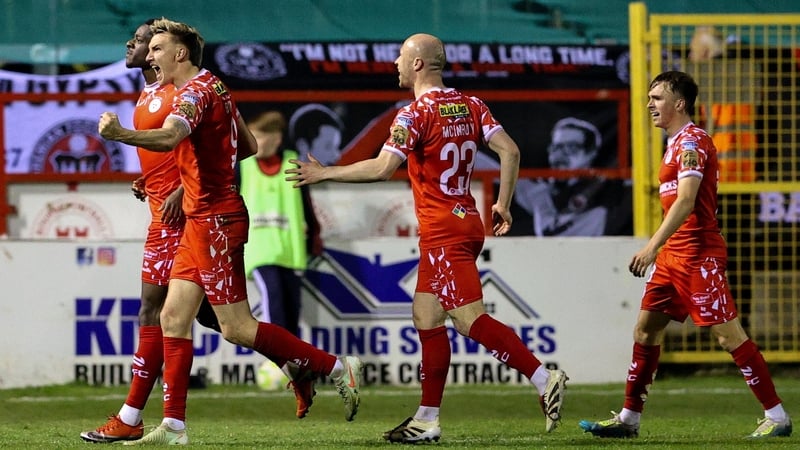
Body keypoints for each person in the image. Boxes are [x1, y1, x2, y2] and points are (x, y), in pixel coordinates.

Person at [286, 33, 568, 444]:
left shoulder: (413, 114)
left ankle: (544, 377)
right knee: (426, 315)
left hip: (442, 230)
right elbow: (510, 151)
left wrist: (326, 172)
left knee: (469, 319)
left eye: (401, 57)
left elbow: (383, 168)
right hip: (466, 219)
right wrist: (504, 204)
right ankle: (427, 418)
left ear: (418, 64)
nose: (395, 64)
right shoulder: (472, 105)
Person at [98, 18, 362, 445]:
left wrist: (119, 134)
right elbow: (248, 146)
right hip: (202, 217)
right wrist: (194, 172)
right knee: (172, 316)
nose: (151, 55)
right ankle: (173, 428)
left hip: (216, 222)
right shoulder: (216, 86)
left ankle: (334, 366)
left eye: (158, 48)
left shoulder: (194, 94)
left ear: (180, 53)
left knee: (236, 326)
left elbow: (169, 138)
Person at [578, 70, 792, 439]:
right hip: (674, 257)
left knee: (729, 336)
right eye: (649, 97)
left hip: (697, 255)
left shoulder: (693, 142)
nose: (650, 104)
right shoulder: (676, 142)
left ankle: (777, 416)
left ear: (680, 103)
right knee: (645, 331)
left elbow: (687, 200)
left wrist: (651, 245)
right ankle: (629, 419)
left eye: (657, 97)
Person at [79, 19, 218, 443]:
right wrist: (153, 180)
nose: (136, 45)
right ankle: (308, 364)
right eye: (145, 42)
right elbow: (173, 149)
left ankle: (134, 415)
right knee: (223, 320)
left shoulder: (182, 90)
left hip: (178, 218)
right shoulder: (151, 92)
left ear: (171, 52)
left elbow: (206, 146)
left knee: (155, 312)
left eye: (146, 42)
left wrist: (178, 186)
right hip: (162, 213)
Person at [240, 110, 323, 337]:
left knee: (292, 309)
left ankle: (294, 365)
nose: (251, 142)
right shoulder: (242, 166)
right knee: (273, 297)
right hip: (258, 252)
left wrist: (314, 235)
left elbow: (307, 206)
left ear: (276, 138)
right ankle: (277, 359)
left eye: (257, 137)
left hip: (289, 251)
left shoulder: (293, 163)